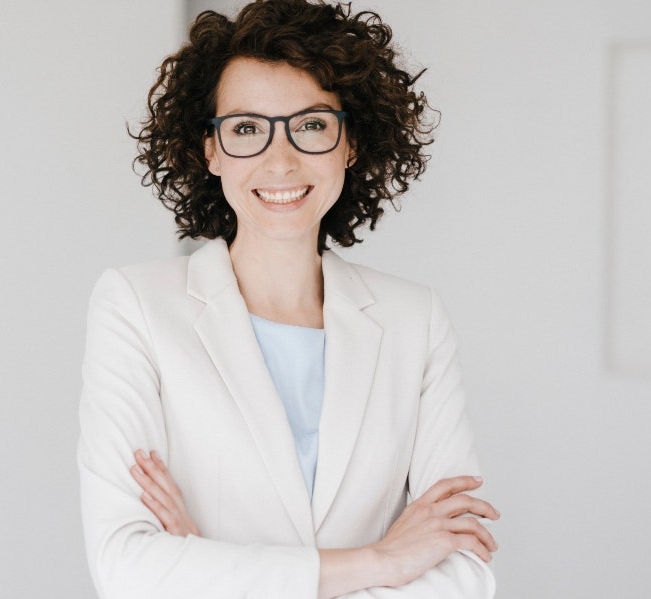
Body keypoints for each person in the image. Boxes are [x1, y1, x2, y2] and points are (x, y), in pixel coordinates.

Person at [77, 1, 500, 597]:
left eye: (310, 124)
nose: (280, 160)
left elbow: (463, 571)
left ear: (350, 142)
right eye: (246, 128)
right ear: (211, 150)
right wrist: (381, 561)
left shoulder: (416, 320)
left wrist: (208, 567)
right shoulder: (136, 307)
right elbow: (128, 570)